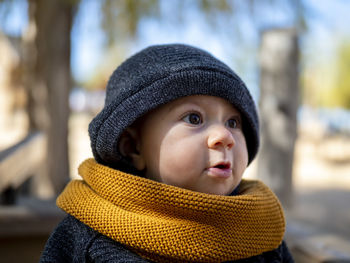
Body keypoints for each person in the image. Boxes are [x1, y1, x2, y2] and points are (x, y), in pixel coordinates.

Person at [40, 44, 294, 262]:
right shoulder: (87, 235)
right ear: (133, 148)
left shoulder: (258, 231)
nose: (225, 137)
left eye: (233, 123)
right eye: (194, 118)